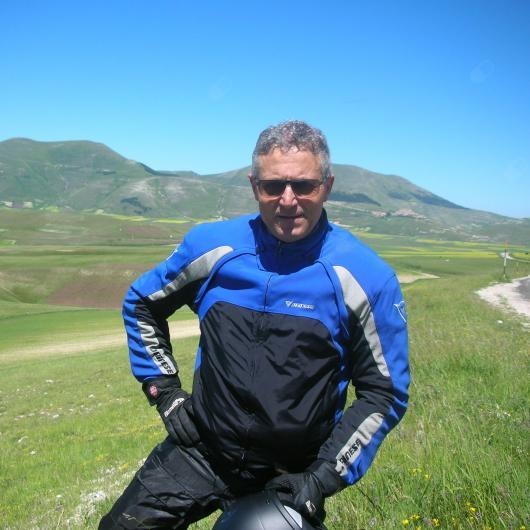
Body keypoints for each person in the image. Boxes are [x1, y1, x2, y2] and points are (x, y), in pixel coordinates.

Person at [99, 120, 410, 529]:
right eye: (272, 186)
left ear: (327, 186)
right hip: (201, 449)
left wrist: (322, 478)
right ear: (254, 186)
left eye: (304, 186)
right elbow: (142, 303)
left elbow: (384, 392)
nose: (287, 200)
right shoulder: (213, 248)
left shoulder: (365, 277)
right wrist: (165, 390)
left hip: (288, 476)